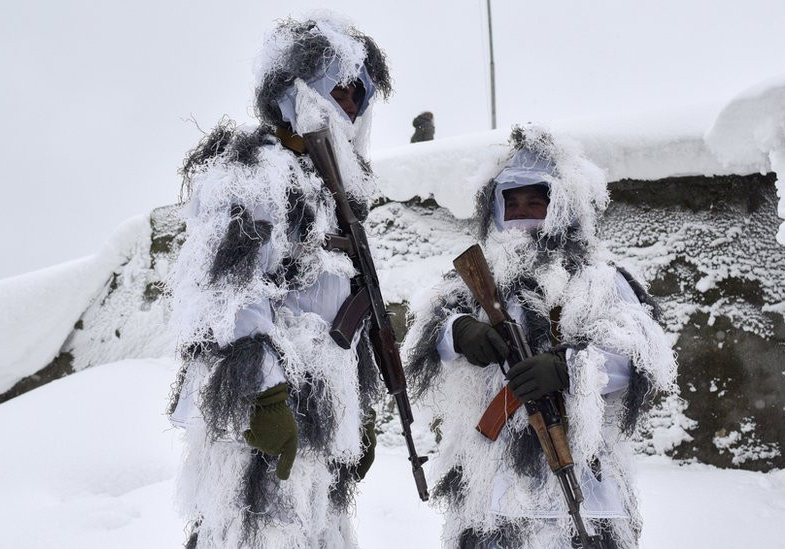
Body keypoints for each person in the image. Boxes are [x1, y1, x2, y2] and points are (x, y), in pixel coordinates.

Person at [166, 14, 392, 549]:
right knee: (250, 531)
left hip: (320, 413)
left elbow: (349, 314)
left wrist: (357, 410)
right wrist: (262, 396)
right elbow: (226, 292)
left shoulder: (335, 196)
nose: (348, 106)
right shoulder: (254, 172)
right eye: (338, 88)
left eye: (358, 97)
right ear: (297, 87)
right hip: (264, 414)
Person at [403, 125, 677, 548]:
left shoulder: (599, 280)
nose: (522, 213)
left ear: (562, 206)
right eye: (512, 203)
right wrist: (459, 331)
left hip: (582, 481)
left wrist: (568, 368)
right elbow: (426, 326)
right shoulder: (474, 281)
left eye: (536, 201)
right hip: (490, 486)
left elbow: (640, 353)